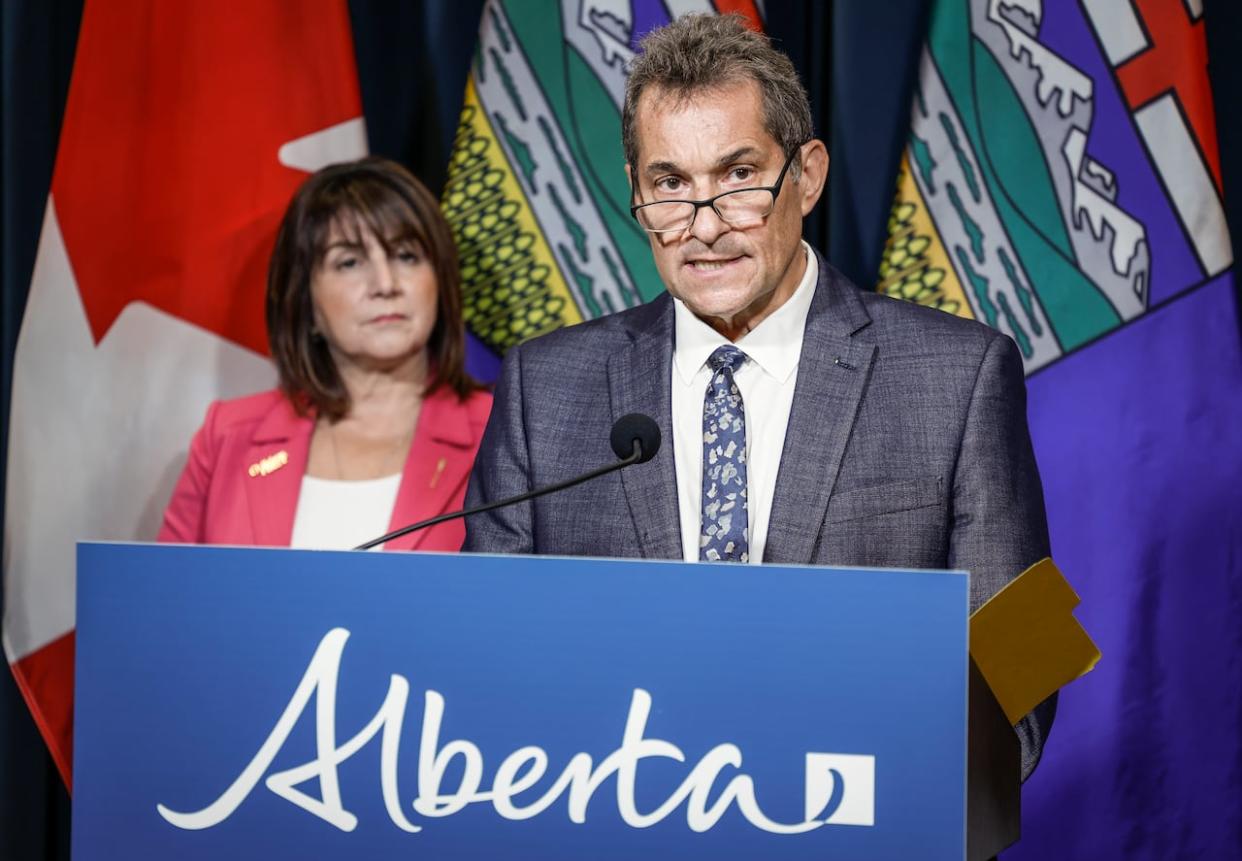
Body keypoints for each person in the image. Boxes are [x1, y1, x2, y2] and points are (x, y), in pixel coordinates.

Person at [463, 16, 1053, 778]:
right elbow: (485, 659)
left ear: (805, 175)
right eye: (671, 184)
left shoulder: (962, 372)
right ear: (637, 194)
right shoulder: (546, 388)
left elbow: (1024, 659)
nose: (704, 225)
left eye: (738, 175)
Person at [159, 157, 491, 551]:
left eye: (406, 256)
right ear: (307, 301)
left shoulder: (503, 435)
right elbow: (156, 601)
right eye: (349, 262)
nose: (385, 284)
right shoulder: (228, 436)